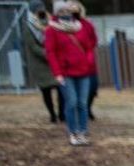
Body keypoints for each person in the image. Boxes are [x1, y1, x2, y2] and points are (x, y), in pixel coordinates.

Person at [44, 1, 97, 146]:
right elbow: (51, 52)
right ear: (56, 13)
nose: (65, 13)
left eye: (67, 10)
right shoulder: (51, 30)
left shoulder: (80, 26)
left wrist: (88, 62)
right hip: (65, 72)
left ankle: (83, 132)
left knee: (82, 103)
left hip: (83, 70)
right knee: (72, 102)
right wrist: (57, 73)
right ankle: (73, 132)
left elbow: (89, 46)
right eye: (61, 11)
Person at [21, 1, 63, 124]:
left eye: (42, 8)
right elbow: (33, 47)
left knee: (61, 88)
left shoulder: (50, 22)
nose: (41, 10)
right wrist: (49, 54)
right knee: (46, 91)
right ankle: (52, 115)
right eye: (38, 9)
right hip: (40, 63)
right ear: (33, 11)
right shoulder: (28, 26)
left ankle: (62, 113)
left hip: (53, 61)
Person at [70, 1, 97, 121]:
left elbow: (94, 40)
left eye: (76, 9)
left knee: (92, 88)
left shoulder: (87, 24)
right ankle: (79, 112)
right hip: (71, 63)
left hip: (88, 61)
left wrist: (88, 51)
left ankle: (87, 107)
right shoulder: (64, 25)